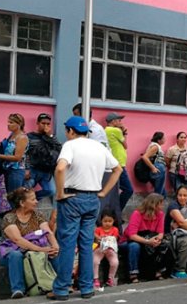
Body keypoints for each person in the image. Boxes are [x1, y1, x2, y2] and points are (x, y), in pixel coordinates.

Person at [50, 116, 121, 300]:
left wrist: (59, 193)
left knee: (67, 244)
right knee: (87, 244)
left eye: (67, 131)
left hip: (72, 197)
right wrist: (104, 192)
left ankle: (62, 289)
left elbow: (60, 169)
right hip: (93, 199)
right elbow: (118, 169)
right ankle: (87, 287)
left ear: (71, 131)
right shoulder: (98, 146)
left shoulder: (70, 145)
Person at [0, 188, 59, 299]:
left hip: (33, 251)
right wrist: (41, 249)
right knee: (16, 255)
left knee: (53, 252)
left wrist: (55, 247)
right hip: (13, 251)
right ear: (22, 203)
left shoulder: (37, 215)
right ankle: (18, 289)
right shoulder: (9, 217)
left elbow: (48, 232)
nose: (36, 201)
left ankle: (60, 285)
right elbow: (18, 240)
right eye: (33, 199)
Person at [121, 193, 167, 283]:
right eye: (160, 204)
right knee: (134, 246)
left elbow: (160, 232)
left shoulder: (160, 214)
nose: (162, 206)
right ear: (154, 205)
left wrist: (157, 239)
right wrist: (147, 241)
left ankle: (158, 271)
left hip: (149, 238)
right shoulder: (137, 214)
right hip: (131, 240)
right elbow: (132, 235)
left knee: (163, 244)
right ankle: (133, 274)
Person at [25, 113, 60, 201]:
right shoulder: (29, 137)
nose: (45, 126)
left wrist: (50, 136)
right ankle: (26, 202)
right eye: (43, 123)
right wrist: (26, 168)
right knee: (26, 190)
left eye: (48, 124)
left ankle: (32, 199)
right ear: (37, 123)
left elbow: (58, 148)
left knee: (51, 190)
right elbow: (25, 153)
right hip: (33, 169)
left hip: (46, 171)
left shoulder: (51, 137)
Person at [165, 185, 187, 280]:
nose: (182, 198)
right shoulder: (173, 205)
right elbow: (181, 222)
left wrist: (185, 222)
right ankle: (179, 269)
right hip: (173, 235)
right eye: (180, 195)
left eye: (185, 195)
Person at [104, 112, 133, 211]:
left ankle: (113, 212)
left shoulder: (106, 130)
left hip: (114, 163)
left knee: (114, 190)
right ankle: (117, 212)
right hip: (119, 164)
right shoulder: (115, 130)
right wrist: (124, 132)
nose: (120, 122)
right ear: (113, 121)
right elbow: (125, 145)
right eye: (118, 120)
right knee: (128, 190)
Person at [0, 113, 29, 194]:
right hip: (8, 170)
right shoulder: (12, 135)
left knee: (14, 198)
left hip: (16, 171)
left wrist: (0, 156)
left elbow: (17, 158)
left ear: (19, 124)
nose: (8, 124)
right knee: (10, 197)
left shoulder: (22, 138)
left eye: (11, 122)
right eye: (8, 122)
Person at [93, 209, 120, 289]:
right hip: (100, 249)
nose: (107, 223)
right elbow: (96, 240)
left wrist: (106, 239)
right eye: (105, 221)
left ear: (113, 221)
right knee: (95, 261)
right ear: (101, 221)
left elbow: (114, 239)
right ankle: (95, 279)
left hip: (110, 249)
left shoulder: (115, 230)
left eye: (110, 221)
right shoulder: (98, 230)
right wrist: (98, 238)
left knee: (115, 262)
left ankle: (110, 278)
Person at [142, 132, 167, 196]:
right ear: (159, 140)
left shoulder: (155, 146)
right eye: (163, 138)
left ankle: (156, 203)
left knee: (162, 192)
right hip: (158, 168)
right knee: (159, 192)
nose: (165, 139)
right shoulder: (155, 147)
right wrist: (153, 168)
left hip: (159, 168)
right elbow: (145, 157)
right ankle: (155, 204)